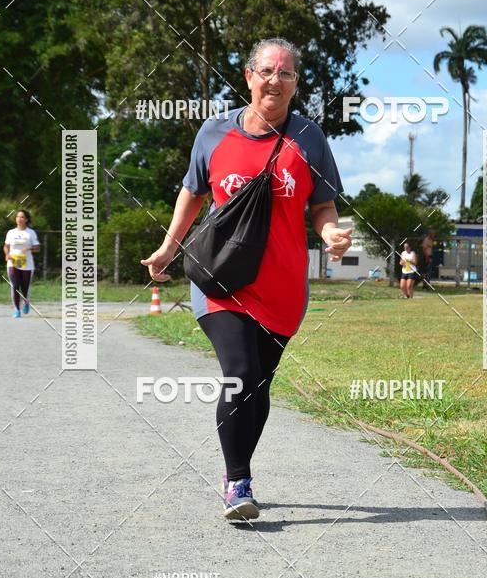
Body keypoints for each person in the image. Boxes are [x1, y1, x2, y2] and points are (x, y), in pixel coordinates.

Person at [141, 38, 352, 522]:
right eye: (267, 71)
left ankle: (240, 470)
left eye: (285, 73)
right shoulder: (213, 133)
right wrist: (169, 246)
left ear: (295, 84)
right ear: (248, 76)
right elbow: (192, 193)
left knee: (259, 384)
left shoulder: (310, 138)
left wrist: (332, 234)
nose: (274, 80)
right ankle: (237, 482)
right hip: (221, 281)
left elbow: (321, 206)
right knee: (240, 374)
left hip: (281, 288)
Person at [3, 209, 40, 318]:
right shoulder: (11, 232)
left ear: (26, 219)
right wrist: (7, 254)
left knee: (25, 287)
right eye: (18, 217)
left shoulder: (30, 233)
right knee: (14, 286)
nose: (19, 219)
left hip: (27, 264)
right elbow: (6, 246)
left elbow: (37, 248)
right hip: (13, 262)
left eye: (22, 217)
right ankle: (16, 310)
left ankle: (26, 302)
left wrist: (29, 247)